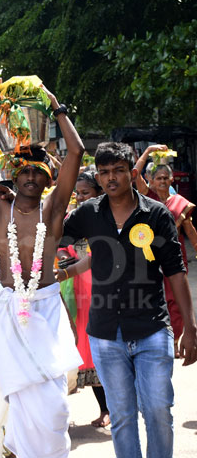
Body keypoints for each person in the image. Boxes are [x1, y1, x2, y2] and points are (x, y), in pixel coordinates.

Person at [0, 79, 84, 458]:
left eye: (40, 175)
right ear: (14, 178)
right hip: (8, 309)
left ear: (48, 182)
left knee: (54, 406)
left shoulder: (52, 212)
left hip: (46, 308)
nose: (33, 179)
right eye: (25, 174)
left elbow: (77, 152)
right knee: (17, 399)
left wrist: (54, 104)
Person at [61, 141, 197, 458]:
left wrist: (190, 328)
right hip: (106, 334)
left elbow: (176, 271)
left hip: (152, 328)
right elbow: (53, 233)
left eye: (118, 171)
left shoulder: (157, 214)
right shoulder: (87, 214)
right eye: (104, 172)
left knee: (159, 411)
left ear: (132, 172)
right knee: (122, 418)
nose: (111, 178)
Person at [55, 171, 110, 428]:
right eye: (77, 193)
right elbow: (61, 247)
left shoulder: (106, 219)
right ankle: (104, 409)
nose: (80, 197)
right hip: (76, 294)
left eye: (85, 192)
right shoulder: (72, 220)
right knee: (85, 352)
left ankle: (112, 409)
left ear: (99, 193)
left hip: (101, 292)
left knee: (104, 353)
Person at [135, 144, 197, 353]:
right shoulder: (147, 198)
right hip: (149, 256)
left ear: (171, 180)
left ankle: (177, 339)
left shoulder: (180, 203)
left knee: (176, 300)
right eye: (158, 178)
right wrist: (147, 152)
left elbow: (189, 230)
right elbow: (134, 174)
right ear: (150, 181)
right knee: (152, 298)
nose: (162, 181)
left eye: (165, 178)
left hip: (175, 257)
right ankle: (158, 338)